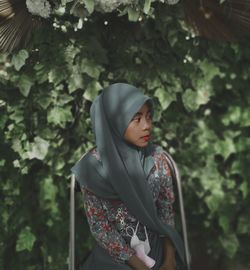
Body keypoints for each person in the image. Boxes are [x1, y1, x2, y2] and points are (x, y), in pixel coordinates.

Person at [71, 83, 185, 270]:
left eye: (149, 117)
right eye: (136, 119)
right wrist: (138, 266)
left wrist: (170, 260)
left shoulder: (157, 159)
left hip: (159, 252)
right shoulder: (93, 168)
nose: (147, 126)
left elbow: (166, 213)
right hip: (115, 257)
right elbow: (100, 227)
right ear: (114, 121)